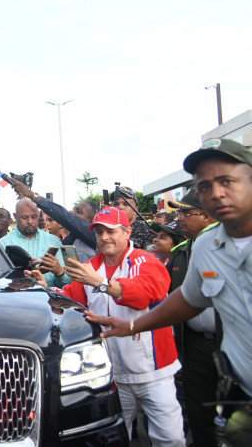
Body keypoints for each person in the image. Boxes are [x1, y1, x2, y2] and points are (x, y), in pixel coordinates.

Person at [88, 139, 252, 446]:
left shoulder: (145, 261)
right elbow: (188, 300)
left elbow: (148, 290)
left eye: (226, 181)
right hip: (239, 397)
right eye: (204, 187)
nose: (215, 193)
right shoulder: (207, 245)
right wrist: (133, 326)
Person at [29, 207, 184, 446]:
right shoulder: (90, 266)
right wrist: (44, 288)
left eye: (110, 231)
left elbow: (146, 294)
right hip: (111, 376)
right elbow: (71, 298)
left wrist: (100, 283)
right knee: (113, 439)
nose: (104, 238)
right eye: (99, 232)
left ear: (127, 232)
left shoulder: (146, 260)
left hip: (154, 372)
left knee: (171, 439)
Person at [156, 188, 220, 447]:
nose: (180, 218)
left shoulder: (231, 244)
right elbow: (167, 293)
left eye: (186, 213)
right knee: (198, 408)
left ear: (206, 216)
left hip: (231, 341)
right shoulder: (180, 252)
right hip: (194, 344)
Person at [0, 198, 69, 288]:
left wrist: (59, 272)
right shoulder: (3, 244)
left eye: (34, 217)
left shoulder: (54, 241)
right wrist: (22, 275)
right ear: (15, 216)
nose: (30, 221)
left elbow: (67, 285)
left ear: (39, 214)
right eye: (24, 217)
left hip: (51, 300)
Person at [110, 186, 156, 250]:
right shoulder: (107, 228)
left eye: (125, 204)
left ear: (135, 210)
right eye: (116, 204)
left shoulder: (146, 231)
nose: (120, 207)